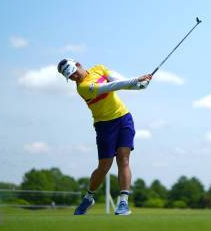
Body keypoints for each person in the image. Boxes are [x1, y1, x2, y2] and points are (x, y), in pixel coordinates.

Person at [57, 58, 152, 216]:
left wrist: (138, 86)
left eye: (74, 73)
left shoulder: (99, 69)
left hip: (123, 118)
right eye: (70, 77)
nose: (74, 77)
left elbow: (119, 81)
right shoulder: (83, 88)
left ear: (78, 65)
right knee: (104, 167)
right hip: (104, 126)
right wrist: (135, 80)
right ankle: (88, 198)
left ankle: (123, 202)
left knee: (123, 159)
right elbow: (110, 86)